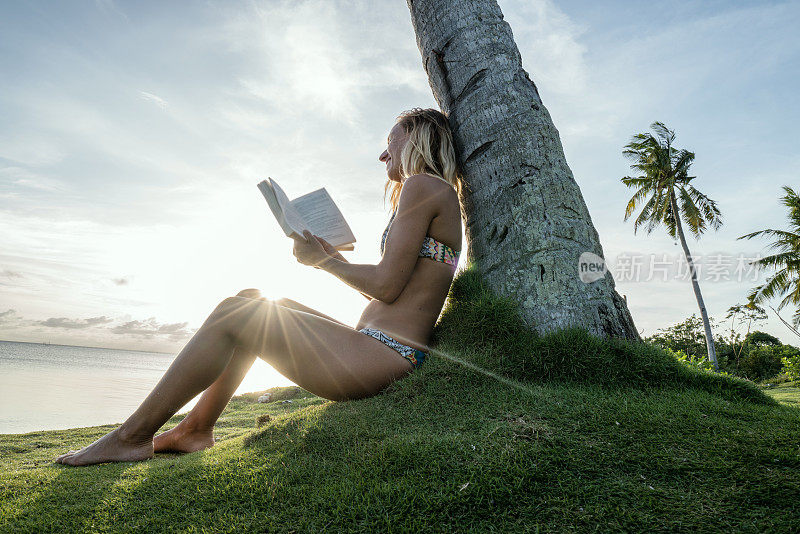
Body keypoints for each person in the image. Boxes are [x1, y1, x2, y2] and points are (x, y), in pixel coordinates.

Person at [55, 107, 464, 466]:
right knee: (253, 300)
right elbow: (392, 290)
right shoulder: (434, 194)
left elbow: (387, 287)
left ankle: (131, 438)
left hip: (384, 356)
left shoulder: (423, 186)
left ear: (415, 136)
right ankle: (195, 429)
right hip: (377, 348)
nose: (382, 155)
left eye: (389, 144)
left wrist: (323, 261)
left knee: (237, 313)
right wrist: (333, 260)